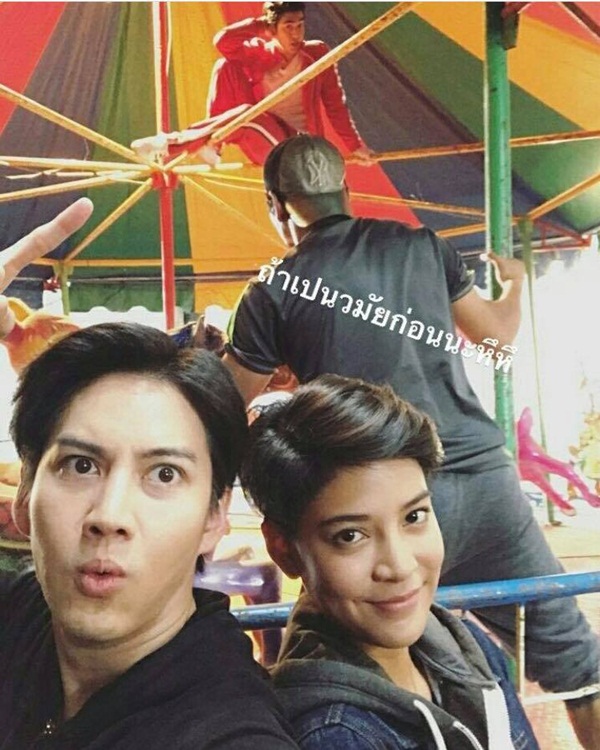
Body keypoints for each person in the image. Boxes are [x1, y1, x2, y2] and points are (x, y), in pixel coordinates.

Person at [223, 134, 600, 748]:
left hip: (363, 504)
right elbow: (496, 340)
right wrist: (514, 284)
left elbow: (221, 406)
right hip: (483, 487)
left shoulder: (273, 289)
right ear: (345, 189)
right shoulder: (424, 246)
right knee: (580, 668)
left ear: (276, 206)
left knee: (336, 668)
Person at [0, 322, 298, 749]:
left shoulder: (229, 734)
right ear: (25, 493)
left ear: (214, 516)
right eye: (81, 465)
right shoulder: (18, 616)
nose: (109, 515)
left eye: (164, 474)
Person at [241, 375, 540, 749]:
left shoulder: (470, 649)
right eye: (350, 536)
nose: (399, 566)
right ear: (285, 550)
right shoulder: (334, 736)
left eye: (414, 516)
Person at [132, 2, 373, 166]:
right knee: (226, 66)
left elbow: (335, 104)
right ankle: (212, 143)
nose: (296, 34)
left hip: (300, 146)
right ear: (272, 30)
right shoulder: (259, 54)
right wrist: (260, 25)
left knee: (248, 115)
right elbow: (223, 42)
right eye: (288, 27)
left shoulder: (316, 53)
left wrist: (355, 145)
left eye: (300, 25)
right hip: (263, 134)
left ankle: (173, 144)